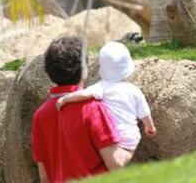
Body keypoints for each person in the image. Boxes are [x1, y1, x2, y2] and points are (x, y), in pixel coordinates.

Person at [31, 37, 131, 183]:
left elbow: (44, 177)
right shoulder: (92, 107)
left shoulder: (40, 116)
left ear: (48, 71)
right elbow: (115, 164)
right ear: (84, 70)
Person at [56, 41, 156, 161]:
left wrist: (65, 99)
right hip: (130, 136)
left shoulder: (102, 87)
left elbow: (84, 94)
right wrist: (150, 127)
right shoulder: (134, 91)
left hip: (111, 135)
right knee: (124, 155)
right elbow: (145, 114)